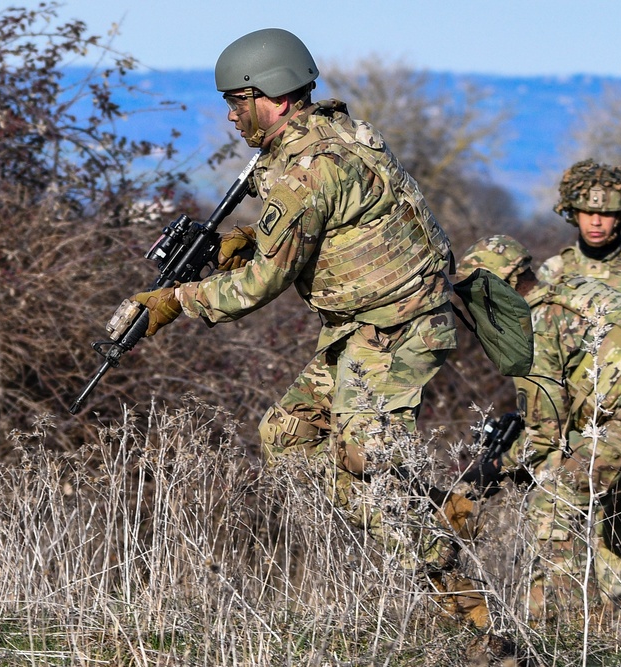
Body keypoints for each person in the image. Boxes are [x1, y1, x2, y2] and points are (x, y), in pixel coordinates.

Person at [132, 28, 491, 628]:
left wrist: (176, 300)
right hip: (364, 328)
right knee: (288, 436)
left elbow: (259, 286)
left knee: (372, 476)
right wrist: (245, 242)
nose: (230, 115)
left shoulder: (303, 169)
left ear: (268, 96)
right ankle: (430, 515)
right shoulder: (334, 133)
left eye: (237, 101)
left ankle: (483, 629)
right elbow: (322, 234)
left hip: (398, 328)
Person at [457, 234, 621, 619]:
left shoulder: (537, 323)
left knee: (555, 498)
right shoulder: (575, 289)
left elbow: (546, 434)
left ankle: (565, 621)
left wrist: (493, 468)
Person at [539, 158, 621, 318]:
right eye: (587, 213)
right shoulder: (554, 269)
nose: (596, 222)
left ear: (619, 217)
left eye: (606, 214)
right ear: (575, 215)